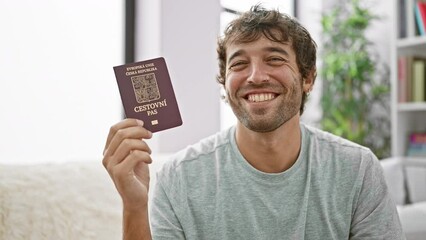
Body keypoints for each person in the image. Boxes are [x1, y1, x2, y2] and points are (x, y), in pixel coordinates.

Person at [103, 5, 404, 240]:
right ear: (225, 82)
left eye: (274, 59)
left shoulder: (357, 169)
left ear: (308, 77)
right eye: (239, 63)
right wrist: (133, 207)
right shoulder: (178, 179)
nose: (256, 76)